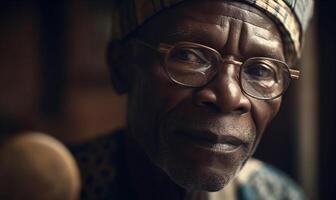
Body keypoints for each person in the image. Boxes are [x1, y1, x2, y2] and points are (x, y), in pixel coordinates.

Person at [69, 0, 314, 199]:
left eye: (260, 71)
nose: (228, 97)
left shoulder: (277, 195)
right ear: (121, 67)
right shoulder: (52, 184)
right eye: (189, 56)